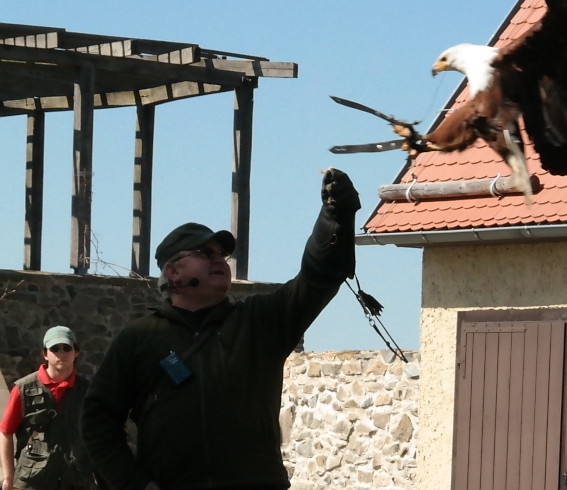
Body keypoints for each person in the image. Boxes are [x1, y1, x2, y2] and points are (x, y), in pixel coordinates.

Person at [79, 168, 360, 490]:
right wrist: (136, 485)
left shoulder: (260, 321)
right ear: (173, 271)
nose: (220, 261)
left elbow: (318, 276)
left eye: (222, 255)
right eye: (205, 253)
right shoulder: (140, 337)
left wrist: (335, 216)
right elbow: (97, 421)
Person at [0, 326, 95, 490]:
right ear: (45, 353)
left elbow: (98, 434)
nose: (61, 353)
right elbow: (6, 432)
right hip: (32, 481)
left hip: (76, 479)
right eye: (54, 348)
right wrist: (8, 477)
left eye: (66, 348)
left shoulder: (88, 391)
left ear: (76, 352)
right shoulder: (23, 388)